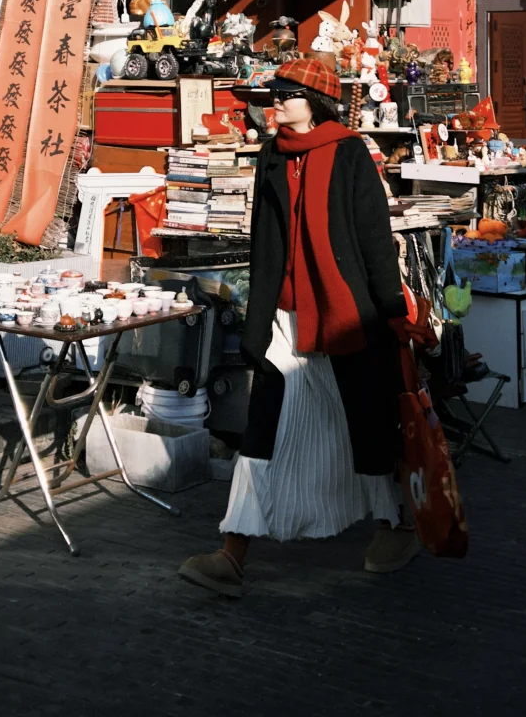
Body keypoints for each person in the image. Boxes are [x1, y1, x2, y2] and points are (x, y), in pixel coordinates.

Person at [178, 57, 421, 599]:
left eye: (286, 94)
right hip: (288, 318)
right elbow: (265, 246)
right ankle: (233, 552)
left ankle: (394, 527)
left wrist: (392, 311)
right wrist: (255, 323)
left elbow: (374, 239)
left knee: (365, 425)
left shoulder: (350, 152)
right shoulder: (271, 158)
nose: (275, 103)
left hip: (347, 318)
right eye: (274, 94)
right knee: (263, 427)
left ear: (315, 103)